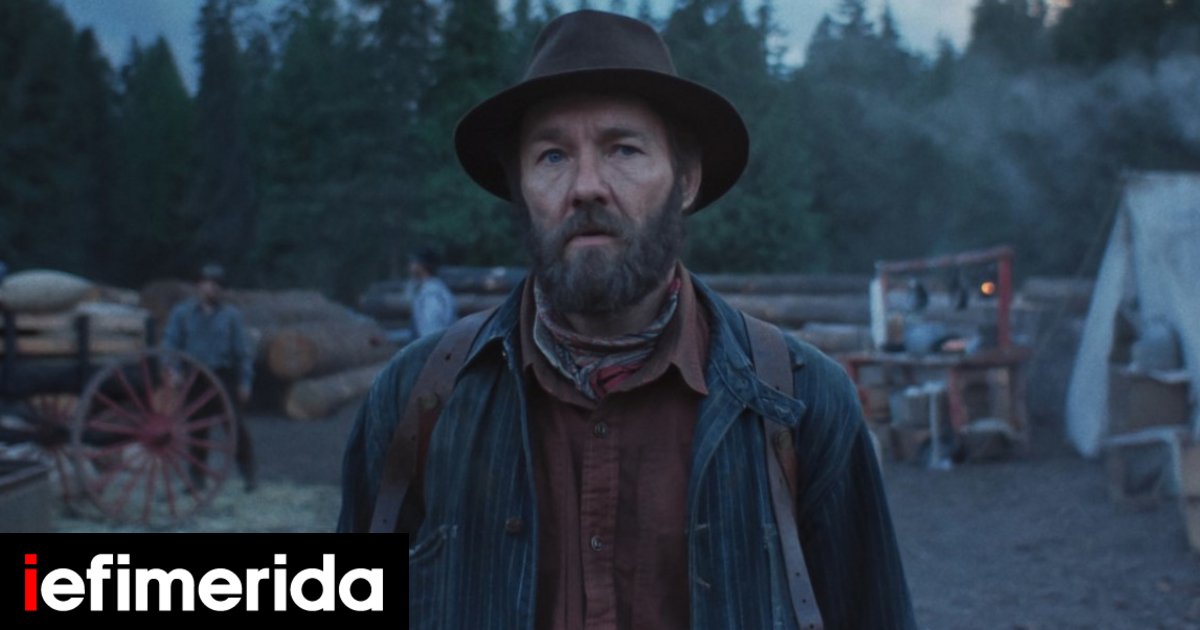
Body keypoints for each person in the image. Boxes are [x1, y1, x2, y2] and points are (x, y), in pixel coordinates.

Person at [339, 10, 916, 629]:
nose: (586, 186)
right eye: (552, 156)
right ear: (520, 189)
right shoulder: (417, 396)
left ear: (685, 182)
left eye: (623, 149)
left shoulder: (803, 402)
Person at [163, 263, 257, 491]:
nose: (210, 289)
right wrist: (173, 370)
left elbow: (242, 353)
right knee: (197, 430)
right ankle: (197, 479)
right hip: (194, 379)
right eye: (206, 283)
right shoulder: (182, 313)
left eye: (216, 285)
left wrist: (245, 382)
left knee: (235, 427)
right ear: (198, 286)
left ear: (222, 289)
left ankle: (248, 475)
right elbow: (170, 344)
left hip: (222, 377)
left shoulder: (231, 316)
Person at [407, 248, 457, 338]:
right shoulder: (426, 288)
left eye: (413, 262)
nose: (410, 265)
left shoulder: (432, 293)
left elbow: (432, 328)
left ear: (422, 265)